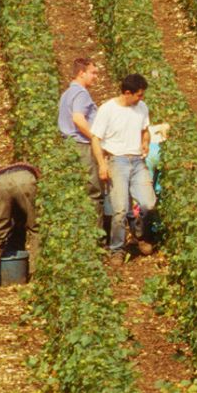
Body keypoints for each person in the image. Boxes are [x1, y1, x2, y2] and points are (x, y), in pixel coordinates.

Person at [91, 74, 155, 264]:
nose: (141, 99)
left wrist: (145, 142)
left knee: (148, 203)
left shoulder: (141, 107)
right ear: (127, 93)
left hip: (137, 161)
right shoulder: (108, 110)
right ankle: (117, 248)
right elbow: (95, 139)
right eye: (139, 95)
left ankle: (138, 234)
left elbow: (145, 130)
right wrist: (102, 164)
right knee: (120, 209)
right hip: (117, 161)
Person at [0, 163, 39, 289]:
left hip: (0, 182)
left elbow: (15, 221)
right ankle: (36, 275)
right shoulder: (37, 175)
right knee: (36, 229)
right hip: (26, 181)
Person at [58, 58, 104, 225]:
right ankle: (95, 237)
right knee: (93, 192)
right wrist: (93, 136)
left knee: (76, 191)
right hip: (82, 146)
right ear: (81, 73)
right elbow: (78, 118)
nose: (96, 77)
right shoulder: (81, 93)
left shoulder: (66, 94)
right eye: (93, 73)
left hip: (69, 145)